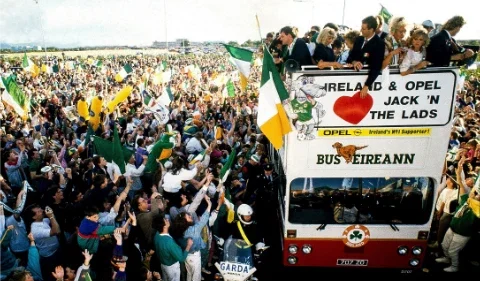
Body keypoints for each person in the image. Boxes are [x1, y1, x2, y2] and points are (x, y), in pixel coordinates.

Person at [435, 156, 480, 272]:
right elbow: (460, 183)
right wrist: (459, 172)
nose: (474, 193)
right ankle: (446, 259)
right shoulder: (465, 199)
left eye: (476, 193)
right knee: (445, 245)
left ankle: (454, 266)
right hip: (452, 228)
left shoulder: (477, 209)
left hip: (462, 234)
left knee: (453, 251)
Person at [347, 16, 385, 98]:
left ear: (371, 30)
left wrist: (367, 85)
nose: (361, 30)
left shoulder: (379, 43)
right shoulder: (359, 39)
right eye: (361, 28)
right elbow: (350, 56)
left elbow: (376, 67)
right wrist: (354, 62)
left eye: (363, 29)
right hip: (352, 79)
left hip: (365, 80)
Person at [153, 215, 193, 281]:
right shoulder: (169, 242)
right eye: (165, 220)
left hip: (163, 264)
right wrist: (188, 245)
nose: (167, 220)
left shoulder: (157, 234)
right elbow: (181, 258)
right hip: (172, 268)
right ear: (164, 226)